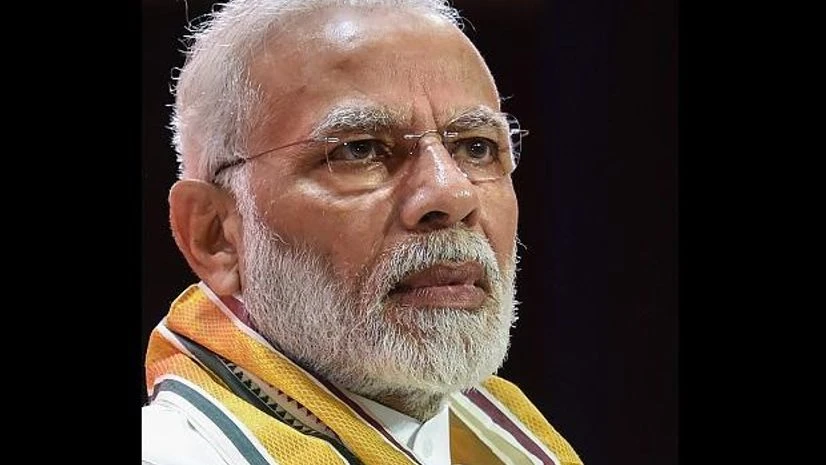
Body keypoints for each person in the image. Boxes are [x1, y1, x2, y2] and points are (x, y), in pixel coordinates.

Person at [142, 0, 584, 464]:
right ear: (216, 236)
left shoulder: (514, 444)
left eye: (476, 148)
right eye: (360, 150)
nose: (453, 195)